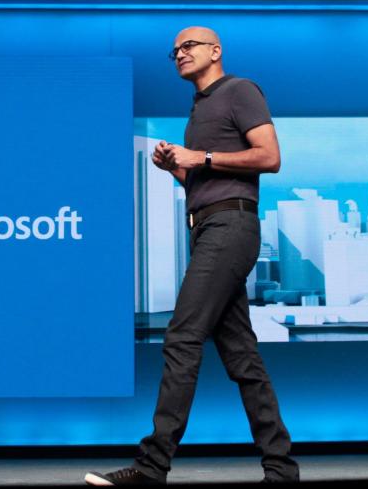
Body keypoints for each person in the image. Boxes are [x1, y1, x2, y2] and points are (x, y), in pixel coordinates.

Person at [86, 26, 298, 485]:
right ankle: (281, 470)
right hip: (209, 227)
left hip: (231, 228)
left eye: (189, 46)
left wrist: (198, 157)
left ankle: (151, 467)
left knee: (182, 338)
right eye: (175, 50)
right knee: (242, 357)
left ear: (215, 51)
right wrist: (178, 170)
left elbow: (270, 156)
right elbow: (208, 183)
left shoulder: (239, 90)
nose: (179, 54)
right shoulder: (199, 109)